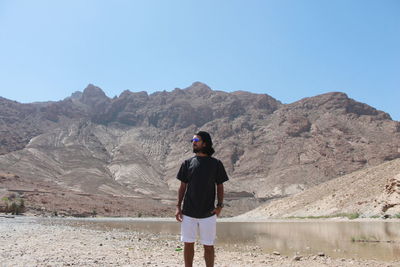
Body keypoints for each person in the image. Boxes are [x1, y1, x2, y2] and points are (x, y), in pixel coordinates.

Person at [175, 131, 229, 267]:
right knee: (188, 244)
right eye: (193, 139)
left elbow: (220, 185)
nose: (193, 142)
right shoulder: (187, 163)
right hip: (188, 212)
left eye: (196, 139)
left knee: (209, 245)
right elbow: (182, 187)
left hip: (208, 213)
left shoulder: (216, 164)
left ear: (204, 143)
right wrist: (178, 207)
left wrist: (219, 206)